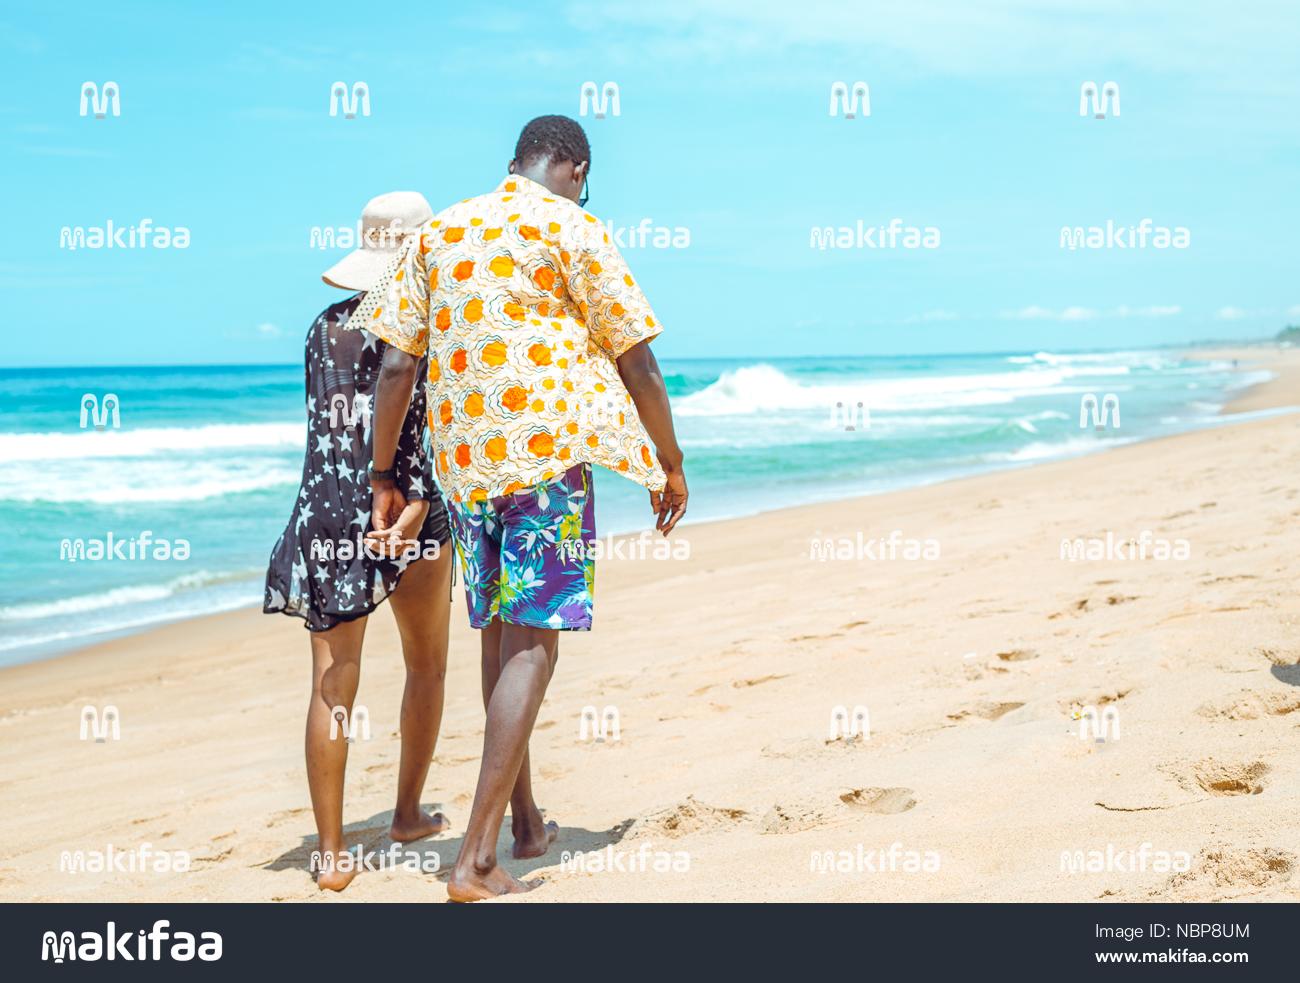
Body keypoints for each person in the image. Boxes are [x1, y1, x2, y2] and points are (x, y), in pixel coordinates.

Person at [353, 115, 688, 901]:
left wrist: (381, 474)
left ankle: (526, 823)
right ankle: (474, 859)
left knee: (501, 635)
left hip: (465, 466)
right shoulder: (575, 229)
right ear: (574, 167)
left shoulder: (442, 232)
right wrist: (667, 461)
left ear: (514, 163)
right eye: (585, 179)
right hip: (543, 463)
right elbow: (635, 355)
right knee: (534, 644)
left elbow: (399, 363)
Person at [263, 191, 455, 891]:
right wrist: (418, 500)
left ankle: (333, 851)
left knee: (332, 682)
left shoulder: (321, 330)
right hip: (406, 511)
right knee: (426, 667)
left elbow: (333, 432)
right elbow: (422, 432)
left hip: (327, 513)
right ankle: (405, 814)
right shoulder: (425, 327)